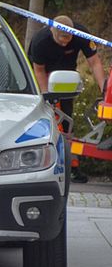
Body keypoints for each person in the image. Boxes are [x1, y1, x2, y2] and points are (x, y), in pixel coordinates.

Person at [28, 15, 105, 183]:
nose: (65, 44)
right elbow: (39, 71)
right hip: (43, 76)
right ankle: (41, 163)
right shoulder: (40, 42)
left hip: (66, 77)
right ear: (52, 31)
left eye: (68, 41)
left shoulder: (80, 34)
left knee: (67, 121)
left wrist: (104, 91)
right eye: (61, 41)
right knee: (49, 120)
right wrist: (47, 97)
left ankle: (72, 166)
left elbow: (95, 63)